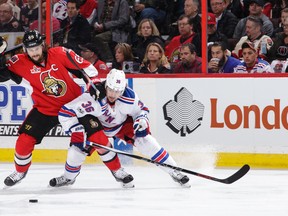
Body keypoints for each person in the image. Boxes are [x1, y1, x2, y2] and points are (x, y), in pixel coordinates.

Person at [0, 30, 133, 187]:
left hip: (74, 107)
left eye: (37, 48)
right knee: (24, 141)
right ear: (24, 49)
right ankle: (20, 171)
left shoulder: (60, 53)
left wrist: (94, 83)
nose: (35, 52)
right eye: (31, 49)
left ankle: (117, 170)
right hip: (45, 109)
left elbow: (87, 68)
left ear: (42, 45)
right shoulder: (18, 62)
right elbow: (2, 75)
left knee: (98, 138)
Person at [50, 69, 190, 187]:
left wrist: (141, 121)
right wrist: (76, 129)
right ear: (105, 85)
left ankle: (174, 170)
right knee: (76, 151)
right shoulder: (93, 96)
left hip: (120, 125)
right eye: (110, 89)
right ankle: (69, 177)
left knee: (145, 140)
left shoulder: (129, 97)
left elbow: (141, 111)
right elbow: (65, 112)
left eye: (118, 91)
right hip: (95, 126)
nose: (113, 94)